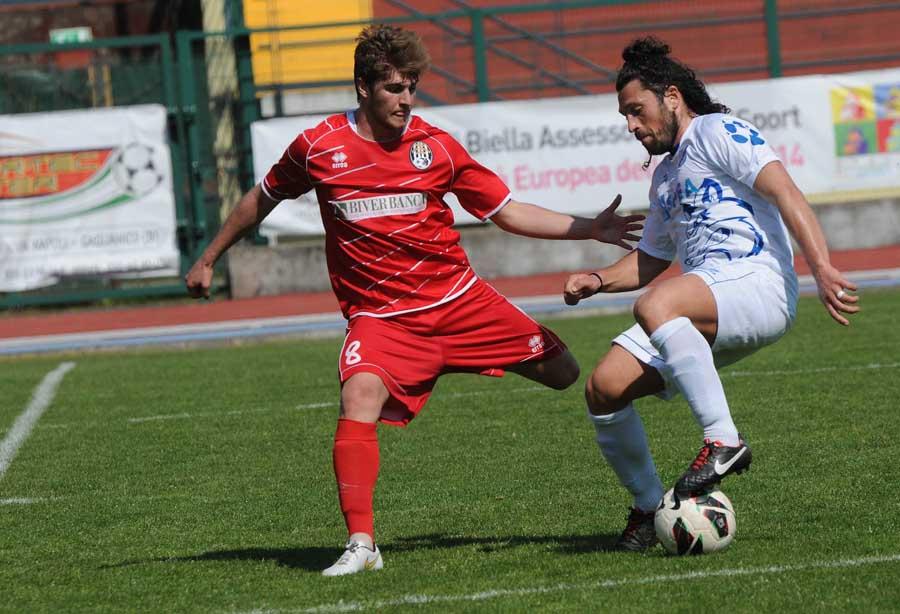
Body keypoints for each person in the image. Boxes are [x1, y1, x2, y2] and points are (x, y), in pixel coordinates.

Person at [185, 24, 643, 575]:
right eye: (393, 89)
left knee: (567, 372)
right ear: (362, 88)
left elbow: (507, 211)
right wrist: (210, 257)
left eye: (411, 88)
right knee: (358, 398)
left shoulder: (436, 148)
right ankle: (361, 544)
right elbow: (262, 198)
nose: (405, 100)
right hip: (384, 323)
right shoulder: (319, 148)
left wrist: (589, 228)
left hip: (461, 304)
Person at [563, 37, 860, 551]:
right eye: (624, 117)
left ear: (671, 96)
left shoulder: (717, 130)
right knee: (604, 388)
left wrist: (822, 267)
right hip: (709, 300)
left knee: (656, 304)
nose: (631, 126)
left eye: (636, 111)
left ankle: (723, 440)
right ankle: (649, 507)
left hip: (758, 283)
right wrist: (597, 279)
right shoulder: (665, 178)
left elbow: (784, 190)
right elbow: (653, 259)